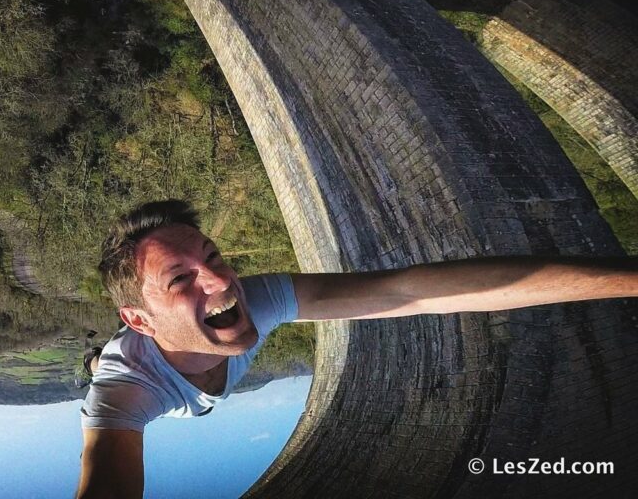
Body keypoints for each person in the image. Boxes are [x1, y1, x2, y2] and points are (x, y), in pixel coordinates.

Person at [75, 200, 638, 499]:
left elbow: (404, 291)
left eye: (213, 256)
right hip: (131, 365)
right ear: (138, 317)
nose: (220, 281)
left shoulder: (256, 298)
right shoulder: (124, 395)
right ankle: (99, 356)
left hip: (161, 347)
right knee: (106, 366)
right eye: (181, 280)